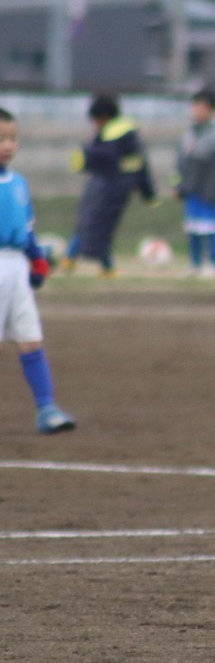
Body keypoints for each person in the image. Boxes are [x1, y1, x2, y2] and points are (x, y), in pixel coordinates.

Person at [0, 107, 77, 434]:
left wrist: (38, 258)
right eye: (1, 138)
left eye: (13, 137)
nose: (8, 145)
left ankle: (47, 408)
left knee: (31, 338)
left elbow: (26, 228)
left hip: (16, 267)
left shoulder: (19, 183)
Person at [64, 94, 156, 276]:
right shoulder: (120, 134)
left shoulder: (114, 135)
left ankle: (82, 261)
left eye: (95, 120)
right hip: (107, 187)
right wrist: (148, 193)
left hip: (110, 188)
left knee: (95, 225)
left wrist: (85, 158)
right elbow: (140, 165)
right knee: (94, 224)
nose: (94, 125)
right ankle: (81, 261)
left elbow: (107, 157)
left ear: (104, 117)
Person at [175, 88, 215, 278]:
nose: (197, 110)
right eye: (196, 106)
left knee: (209, 229)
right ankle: (194, 265)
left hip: (207, 192)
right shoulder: (189, 134)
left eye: (202, 107)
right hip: (191, 192)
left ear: (212, 111)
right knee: (192, 229)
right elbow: (180, 164)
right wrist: (178, 186)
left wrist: (212, 193)